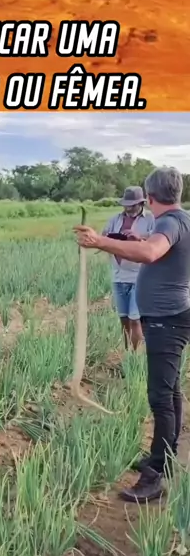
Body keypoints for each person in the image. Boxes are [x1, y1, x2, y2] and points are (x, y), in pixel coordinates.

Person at [74, 166, 190, 503]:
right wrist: (130, 243)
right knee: (171, 391)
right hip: (172, 315)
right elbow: (158, 251)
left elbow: (151, 253)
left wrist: (98, 241)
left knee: (160, 397)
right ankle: (165, 456)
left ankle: (155, 476)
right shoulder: (182, 220)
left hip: (166, 320)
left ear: (150, 198)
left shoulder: (168, 223)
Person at [102, 186, 154, 351]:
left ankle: (135, 356)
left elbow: (156, 243)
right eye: (126, 205)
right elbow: (103, 238)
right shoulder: (115, 220)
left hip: (140, 276)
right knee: (124, 319)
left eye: (132, 205)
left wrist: (139, 239)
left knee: (135, 320)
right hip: (118, 275)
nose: (128, 208)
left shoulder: (151, 219)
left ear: (141, 204)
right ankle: (127, 353)